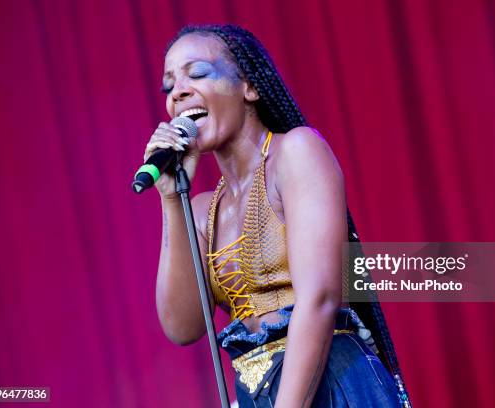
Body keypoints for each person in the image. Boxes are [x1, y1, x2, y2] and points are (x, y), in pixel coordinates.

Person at [145, 24, 410, 407]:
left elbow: (319, 296)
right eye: (169, 87)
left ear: (249, 88)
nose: (178, 93)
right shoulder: (203, 210)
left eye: (198, 73)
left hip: (332, 386)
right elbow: (182, 326)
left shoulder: (296, 153)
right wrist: (172, 199)